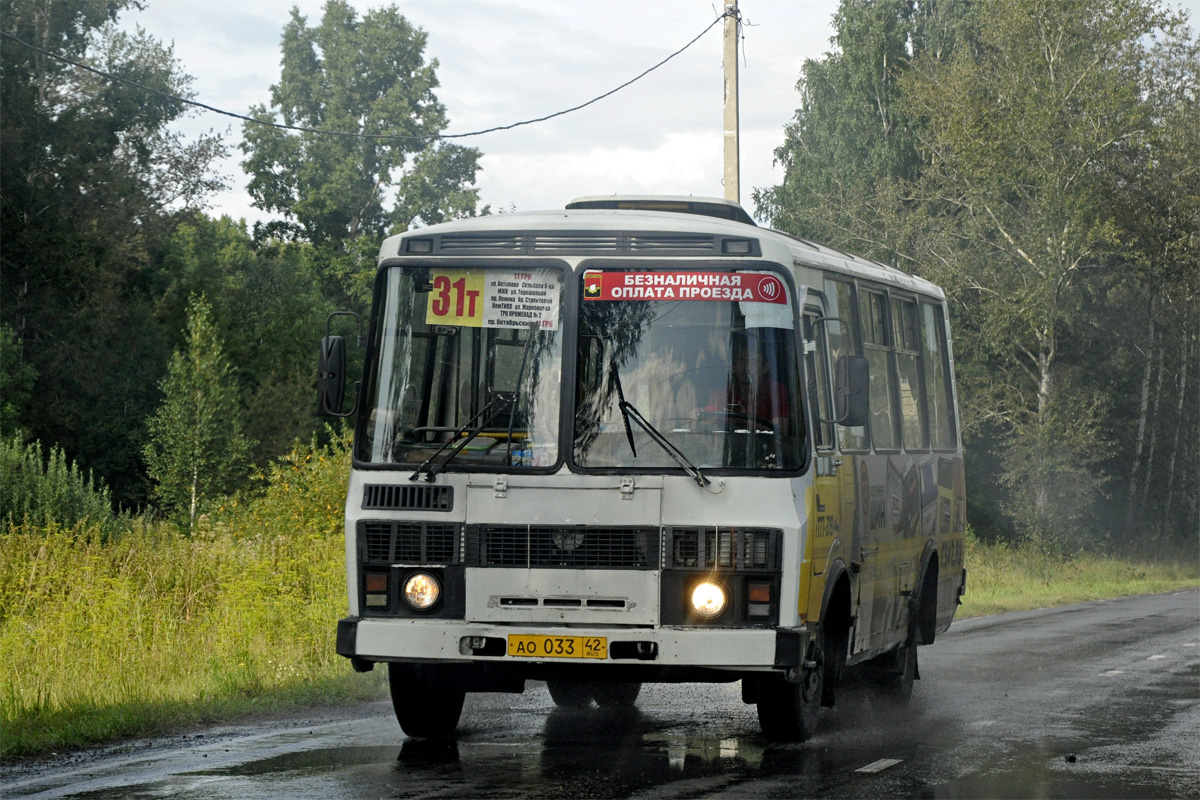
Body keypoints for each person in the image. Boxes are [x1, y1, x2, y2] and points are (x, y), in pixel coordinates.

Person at [703, 342, 790, 434]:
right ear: (733, 367)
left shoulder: (775, 390)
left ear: (765, 368)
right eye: (741, 361)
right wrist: (697, 414)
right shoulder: (723, 394)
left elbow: (781, 430)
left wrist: (745, 421)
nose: (747, 367)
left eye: (753, 361)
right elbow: (708, 422)